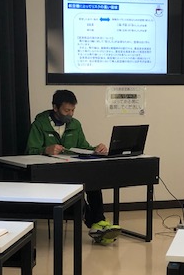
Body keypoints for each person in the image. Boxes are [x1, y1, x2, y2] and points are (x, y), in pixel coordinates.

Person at [26, 89, 121, 245]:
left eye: (72, 110)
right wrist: (45, 150)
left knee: (94, 181)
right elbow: (30, 151)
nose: (70, 114)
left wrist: (96, 149)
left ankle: (99, 224)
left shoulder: (75, 124)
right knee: (76, 192)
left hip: (72, 169)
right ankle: (97, 225)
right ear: (55, 108)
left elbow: (83, 147)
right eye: (66, 110)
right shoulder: (39, 124)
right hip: (50, 173)